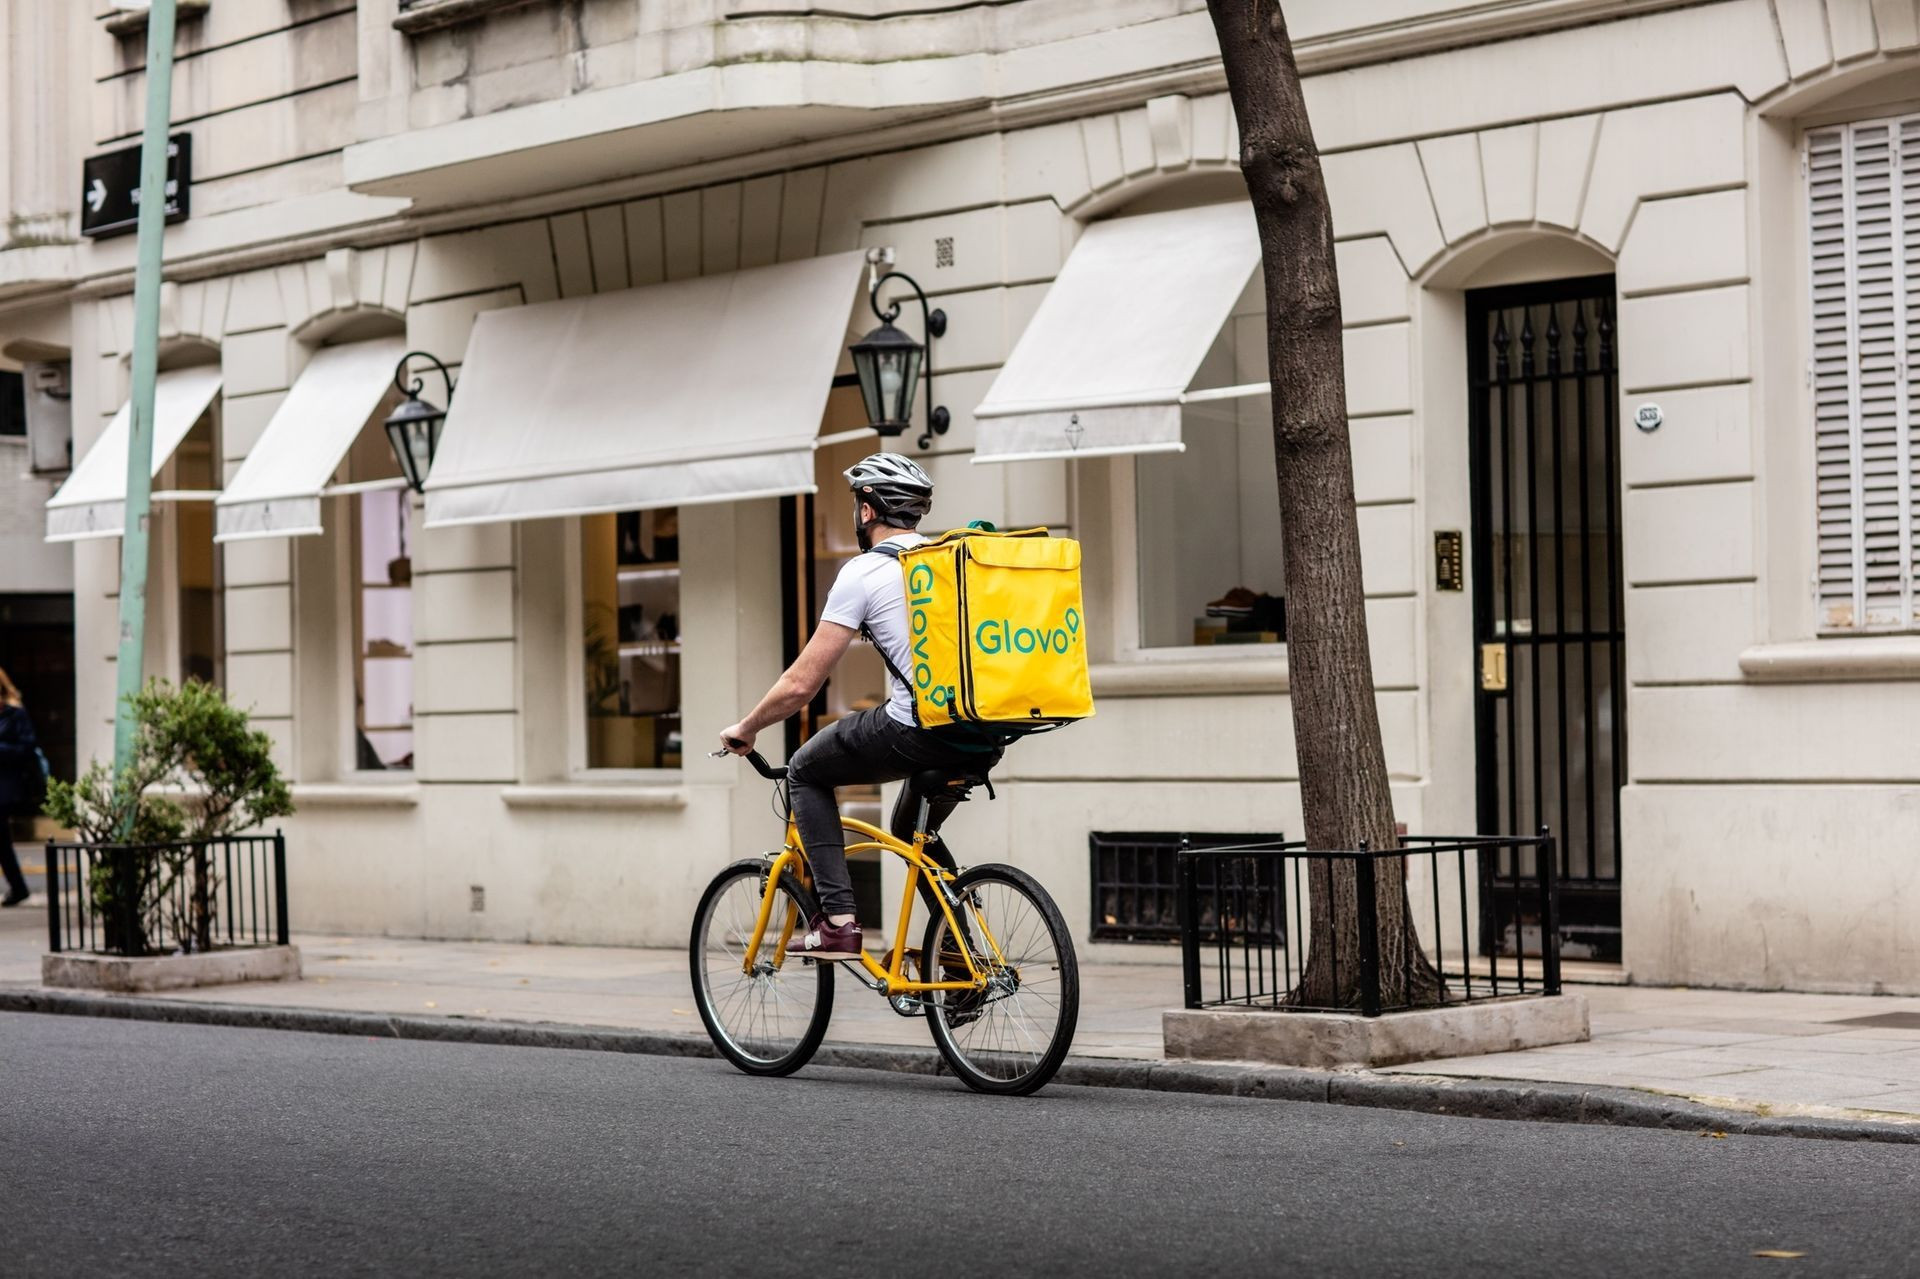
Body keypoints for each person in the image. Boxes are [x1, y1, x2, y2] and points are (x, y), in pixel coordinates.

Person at [720, 453, 1002, 960]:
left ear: (867, 511)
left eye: (858, 504)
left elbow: (801, 685)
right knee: (912, 832)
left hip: (917, 730)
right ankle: (963, 959)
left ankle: (839, 924)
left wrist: (748, 726)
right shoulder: (949, 563)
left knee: (806, 769)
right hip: (984, 732)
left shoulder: (864, 572)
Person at [0, 667, 44, 907]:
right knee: (2, 839)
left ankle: (18, 887)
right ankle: (18, 887)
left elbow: (27, 747)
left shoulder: (15, 713)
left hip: (7, 784)